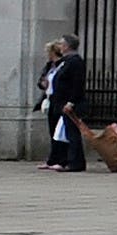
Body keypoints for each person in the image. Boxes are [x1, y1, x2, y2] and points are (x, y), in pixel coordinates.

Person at [41, 37, 88, 171]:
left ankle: (76, 162)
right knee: (64, 132)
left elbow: (77, 84)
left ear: (67, 46)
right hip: (60, 102)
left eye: (62, 44)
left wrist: (71, 102)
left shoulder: (75, 61)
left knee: (72, 134)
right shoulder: (66, 61)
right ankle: (66, 160)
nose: (60, 46)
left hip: (70, 103)